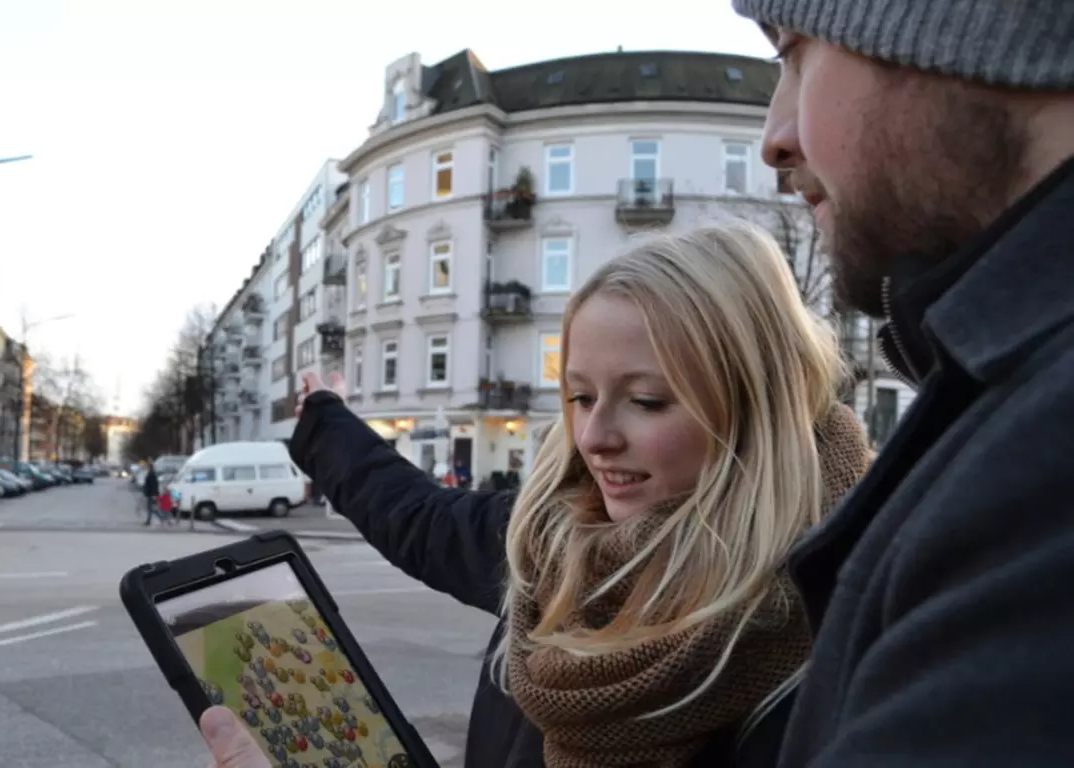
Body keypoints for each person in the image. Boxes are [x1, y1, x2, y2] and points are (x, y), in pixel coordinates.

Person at [202, 221, 872, 767]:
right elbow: (419, 518)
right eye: (579, 396)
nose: (595, 437)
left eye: (645, 400)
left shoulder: (847, 630)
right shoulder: (550, 546)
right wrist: (327, 420)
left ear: (754, 406)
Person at [719, 2, 1074, 766]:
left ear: (960, 33)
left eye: (795, 55)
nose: (775, 139)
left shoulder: (1040, 476)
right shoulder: (1005, 410)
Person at [141, 460, 166, 527]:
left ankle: (151, 520)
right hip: (150, 493)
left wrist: (154, 494)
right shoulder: (150, 473)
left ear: (150, 467)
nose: (146, 467)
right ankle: (158, 518)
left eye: (147, 466)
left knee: (151, 508)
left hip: (151, 494)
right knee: (151, 508)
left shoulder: (152, 474)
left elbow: (154, 485)